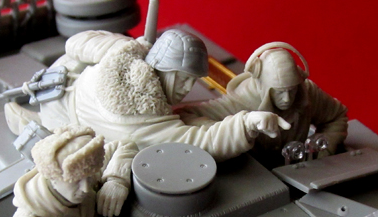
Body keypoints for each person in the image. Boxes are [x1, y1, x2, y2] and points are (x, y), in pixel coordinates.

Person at [35, 29, 290, 162]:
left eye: (193, 80)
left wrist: (129, 45)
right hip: (57, 115)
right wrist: (246, 124)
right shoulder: (137, 119)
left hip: (62, 72)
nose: (188, 88)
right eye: (183, 77)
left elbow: (76, 43)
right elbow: (199, 142)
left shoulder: (120, 55)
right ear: (160, 67)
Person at [176, 42, 348, 166]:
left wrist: (323, 151)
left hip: (301, 171)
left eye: (291, 90)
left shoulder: (306, 93)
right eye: (278, 92)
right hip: (254, 176)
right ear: (262, 86)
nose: (287, 99)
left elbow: (337, 116)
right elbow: (185, 118)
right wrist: (238, 127)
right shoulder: (240, 101)